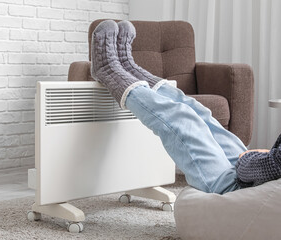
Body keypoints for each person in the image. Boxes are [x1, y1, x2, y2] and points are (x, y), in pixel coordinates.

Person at [90, 20, 281, 194]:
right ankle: (129, 69)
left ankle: (108, 70)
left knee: (182, 118)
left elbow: (265, 166)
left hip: (235, 187)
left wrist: (255, 158)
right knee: (197, 112)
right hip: (252, 179)